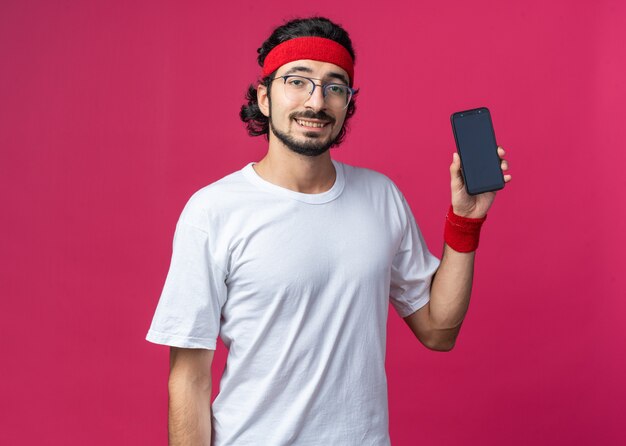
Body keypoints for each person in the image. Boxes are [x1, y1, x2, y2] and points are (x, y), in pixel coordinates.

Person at [146, 16, 511, 446]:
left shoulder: (381, 196)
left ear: (346, 104)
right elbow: (189, 378)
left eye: (334, 87)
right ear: (264, 97)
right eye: (297, 81)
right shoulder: (213, 211)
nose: (316, 102)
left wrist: (465, 222)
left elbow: (438, 330)